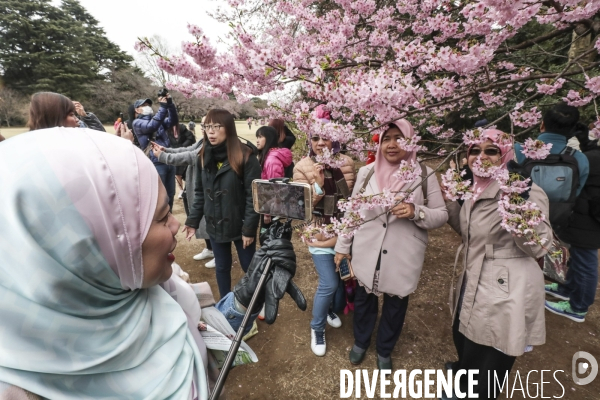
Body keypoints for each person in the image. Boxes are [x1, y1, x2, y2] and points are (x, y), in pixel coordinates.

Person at [0, 127, 304, 399]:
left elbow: (204, 341)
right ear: (85, 248)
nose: (175, 225)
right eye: (160, 217)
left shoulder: (163, 288)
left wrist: (246, 295)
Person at [443, 129, 552, 399]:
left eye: (491, 151)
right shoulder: (473, 186)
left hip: (507, 285)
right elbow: (467, 232)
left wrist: (519, 211)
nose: (481, 157)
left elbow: (539, 246)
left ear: (505, 154)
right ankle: (461, 383)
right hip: (474, 274)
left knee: (492, 354)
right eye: (474, 151)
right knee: (465, 338)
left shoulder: (523, 189)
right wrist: (452, 199)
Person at [334, 120, 448, 371]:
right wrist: (342, 246)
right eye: (386, 138)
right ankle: (361, 342)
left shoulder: (424, 174)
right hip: (367, 248)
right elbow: (352, 213)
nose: (392, 144)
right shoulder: (367, 173)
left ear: (410, 141)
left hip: (402, 252)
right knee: (364, 300)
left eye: (399, 138)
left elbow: (441, 214)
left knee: (396, 305)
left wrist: (415, 211)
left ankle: (385, 349)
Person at [293, 106, 356, 357]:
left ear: (335, 138)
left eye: (325, 136)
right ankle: (316, 326)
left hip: (344, 233)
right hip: (319, 233)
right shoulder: (302, 166)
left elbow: (353, 201)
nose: (320, 143)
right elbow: (299, 208)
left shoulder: (347, 163)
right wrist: (318, 188)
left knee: (340, 285)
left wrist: (346, 234)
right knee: (329, 283)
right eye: (315, 138)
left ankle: (330, 309)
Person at [183, 109, 261, 299]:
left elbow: (253, 197)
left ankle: (258, 300)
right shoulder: (204, 155)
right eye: (207, 127)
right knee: (222, 266)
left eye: (216, 127)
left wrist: (249, 229)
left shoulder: (246, 156)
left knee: (249, 267)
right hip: (215, 223)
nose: (211, 132)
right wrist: (192, 222)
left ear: (228, 129)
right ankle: (226, 302)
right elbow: (200, 192)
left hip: (240, 224)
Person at [545, 126, 600, 322]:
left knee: (586, 262)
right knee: (578, 257)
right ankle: (567, 288)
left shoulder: (591, 159)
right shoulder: (591, 154)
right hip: (582, 215)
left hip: (591, 218)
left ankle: (577, 307)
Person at [152, 121, 215, 268]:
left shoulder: (212, 145)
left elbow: (191, 156)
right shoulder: (202, 140)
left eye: (207, 124)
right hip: (195, 184)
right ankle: (210, 249)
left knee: (207, 219)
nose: (202, 126)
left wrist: (163, 156)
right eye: (203, 123)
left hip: (206, 188)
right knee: (199, 218)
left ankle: (218, 253)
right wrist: (166, 150)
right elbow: (187, 149)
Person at [132, 94, 179, 210]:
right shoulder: (137, 123)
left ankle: (169, 218)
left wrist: (170, 105)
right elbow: (151, 126)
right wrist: (163, 107)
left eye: (148, 105)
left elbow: (173, 120)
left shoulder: (158, 120)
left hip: (168, 160)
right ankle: (159, 221)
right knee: (159, 195)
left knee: (170, 194)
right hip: (156, 162)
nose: (148, 107)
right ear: (137, 110)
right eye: (144, 105)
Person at [256, 125, 293, 225]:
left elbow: (275, 187)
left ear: (269, 139)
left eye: (260, 137)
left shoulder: (272, 160)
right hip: (269, 205)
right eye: (257, 137)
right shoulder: (268, 156)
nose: (257, 140)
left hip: (272, 208)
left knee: (269, 238)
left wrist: (267, 212)